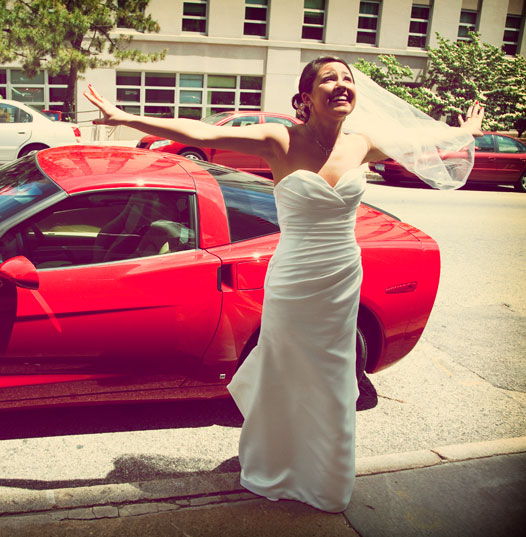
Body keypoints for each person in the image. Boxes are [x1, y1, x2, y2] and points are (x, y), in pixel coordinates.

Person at [84, 56, 483, 513]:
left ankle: (325, 476)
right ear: (306, 96)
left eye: (347, 79)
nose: (341, 85)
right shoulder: (280, 139)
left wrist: (462, 132)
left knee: (333, 375)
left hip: (340, 275)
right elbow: (202, 132)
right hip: (294, 276)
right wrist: (126, 117)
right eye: (328, 79)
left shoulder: (363, 145)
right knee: (287, 368)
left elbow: (418, 141)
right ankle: (277, 462)